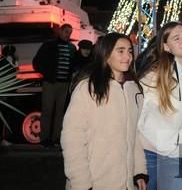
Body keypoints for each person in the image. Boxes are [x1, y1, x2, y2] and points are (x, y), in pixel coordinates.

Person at [61, 32, 148, 190]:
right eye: (120, 51)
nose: (127, 56)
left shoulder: (134, 89)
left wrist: (139, 172)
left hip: (127, 183)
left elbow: (134, 134)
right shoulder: (88, 88)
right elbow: (72, 138)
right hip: (95, 182)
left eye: (129, 51)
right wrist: (81, 183)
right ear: (106, 54)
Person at [138, 22, 182, 190]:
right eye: (176, 38)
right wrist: (147, 142)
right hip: (150, 152)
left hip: (177, 154)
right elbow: (139, 111)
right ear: (166, 46)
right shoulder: (156, 74)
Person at [32, 23, 75, 147]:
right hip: (50, 83)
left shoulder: (72, 48)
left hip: (64, 85)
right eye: (66, 31)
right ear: (60, 31)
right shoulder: (49, 45)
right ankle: (45, 139)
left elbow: (74, 64)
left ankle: (56, 138)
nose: (68, 34)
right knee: (47, 111)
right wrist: (47, 74)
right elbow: (36, 62)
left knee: (60, 113)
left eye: (70, 32)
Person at [0, 45, 19, 146]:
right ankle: (4, 138)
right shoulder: (10, 61)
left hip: (1, 91)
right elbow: (15, 69)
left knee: (1, 116)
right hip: (8, 92)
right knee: (7, 116)